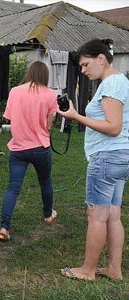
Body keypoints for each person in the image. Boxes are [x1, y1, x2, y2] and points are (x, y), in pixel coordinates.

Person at [59, 39, 129, 281]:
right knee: (112, 215)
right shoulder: (120, 82)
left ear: (101, 58)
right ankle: (114, 268)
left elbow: (113, 127)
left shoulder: (111, 84)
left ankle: (87, 270)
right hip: (120, 157)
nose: (83, 70)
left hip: (107, 157)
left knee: (96, 215)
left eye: (86, 64)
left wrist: (76, 116)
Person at [0, 61, 58, 241]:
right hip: (40, 147)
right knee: (45, 182)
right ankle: (48, 214)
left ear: (29, 73)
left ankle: (4, 227)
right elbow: (48, 125)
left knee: (13, 188)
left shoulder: (15, 91)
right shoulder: (50, 94)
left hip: (18, 148)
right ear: (45, 76)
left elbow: (9, 117)